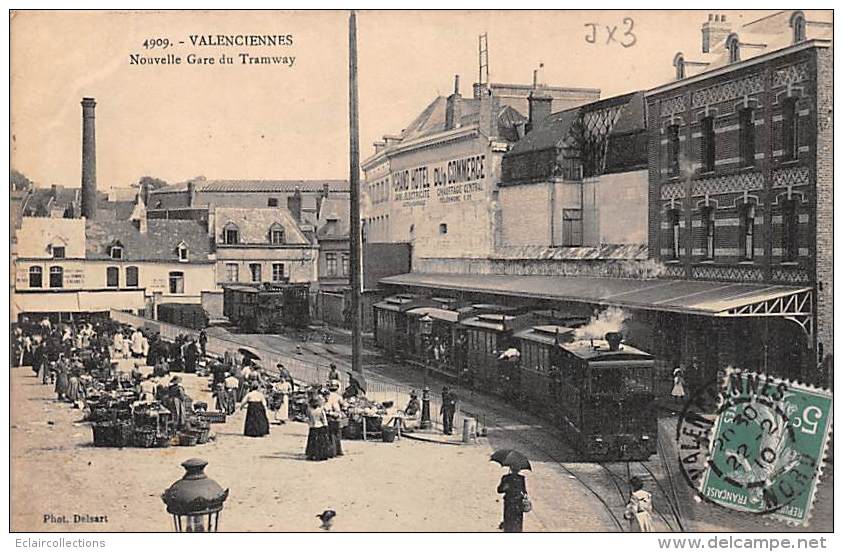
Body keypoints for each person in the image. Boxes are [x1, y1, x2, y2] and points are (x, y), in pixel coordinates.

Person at [497, 466, 528, 532]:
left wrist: (505, 487)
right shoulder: (520, 478)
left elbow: (499, 490)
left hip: (512, 502)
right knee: (515, 521)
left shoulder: (506, 478)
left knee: (509, 520)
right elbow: (524, 491)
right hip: (514, 502)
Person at [305, 395, 332, 461]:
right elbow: (323, 419)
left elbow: (308, 417)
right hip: (320, 426)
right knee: (321, 442)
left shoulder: (309, 409)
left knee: (312, 442)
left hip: (312, 426)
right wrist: (326, 426)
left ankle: (312, 454)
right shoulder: (321, 410)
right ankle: (321, 455)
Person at [324, 380, 346, 457]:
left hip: (328, 415)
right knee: (337, 433)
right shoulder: (338, 396)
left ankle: (331, 451)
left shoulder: (326, 396)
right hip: (336, 415)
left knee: (330, 434)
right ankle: (338, 450)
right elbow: (344, 404)